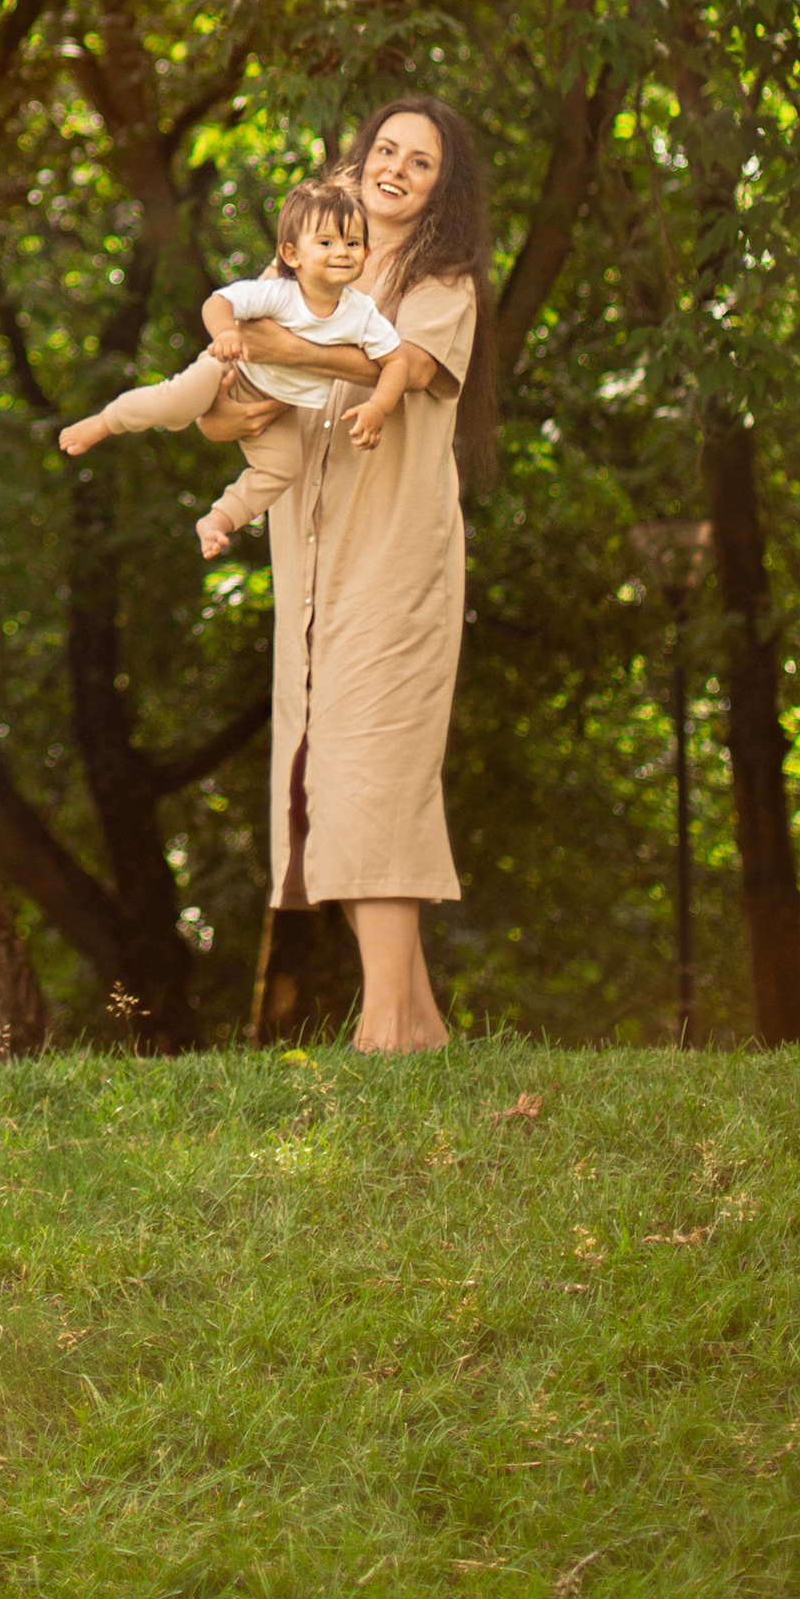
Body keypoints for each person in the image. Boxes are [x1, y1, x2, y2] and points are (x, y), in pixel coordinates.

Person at [209, 92, 495, 1055]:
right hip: (313, 565)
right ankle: (418, 1028)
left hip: (396, 561)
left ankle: (381, 1033)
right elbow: (230, 393)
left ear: (442, 189)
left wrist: (269, 340)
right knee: (338, 774)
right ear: (359, 158)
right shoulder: (308, 263)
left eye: (422, 162)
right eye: (387, 150)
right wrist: (236, 394)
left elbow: (392, 369)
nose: (398, 169)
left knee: (377, 771)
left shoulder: (443, 284)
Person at [56, 174, 405, 559]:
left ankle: (218, 520)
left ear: (367, 254)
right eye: (326, 242)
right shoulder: (278, 293)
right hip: (228, 370)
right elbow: (218, 303)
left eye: (353, 243)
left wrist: (378, 407)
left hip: (278, 408)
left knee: (283, 469)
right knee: (177, 403)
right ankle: (106, 421)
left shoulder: (361, 313)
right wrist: (225, 334)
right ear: (292, 255)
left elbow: (396, 361)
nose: (342, 251)